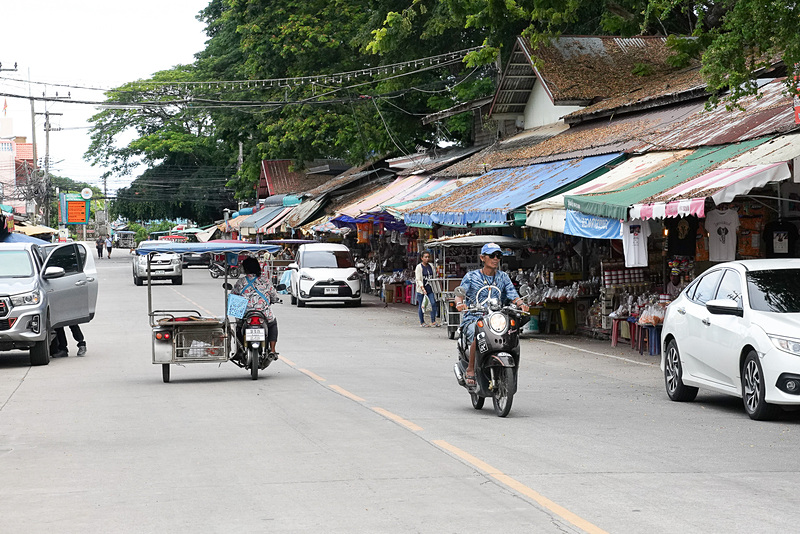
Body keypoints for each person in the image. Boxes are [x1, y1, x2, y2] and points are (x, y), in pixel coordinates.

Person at [453, 243, 529, 387]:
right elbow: (459, 294)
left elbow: (513, 294)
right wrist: (459, 303)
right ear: (482, 258)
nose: (495, 259)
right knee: (478, 334)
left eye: (498, 256)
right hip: (475, 317)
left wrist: (521, 304)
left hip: (497, 318)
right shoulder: (471, 276)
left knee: (512, 334)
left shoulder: (503, 277)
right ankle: (470, 369)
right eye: (492, 255)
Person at [232, 256, 280, 358]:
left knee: (238, 326)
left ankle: (239, 350)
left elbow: (233, 296)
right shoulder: (266, 281)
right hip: (264, 313)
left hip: (245, 314)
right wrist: (274, 300)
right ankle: (272, 350)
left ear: (245, 268)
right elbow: (274, 296)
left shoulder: (241, 282)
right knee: (272, 324)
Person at [414, 251, 440, 327]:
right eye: (425, 257)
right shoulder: (419, 267)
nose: (427, 258)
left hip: (430, 288)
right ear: (422, 258)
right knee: (422, 306)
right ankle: (422, 322)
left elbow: (434, 276)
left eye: (428, 257)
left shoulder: (431, 266)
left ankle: (433, 321)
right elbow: (418, 279)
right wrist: (422, 288)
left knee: (433, 303)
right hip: (421, 290)